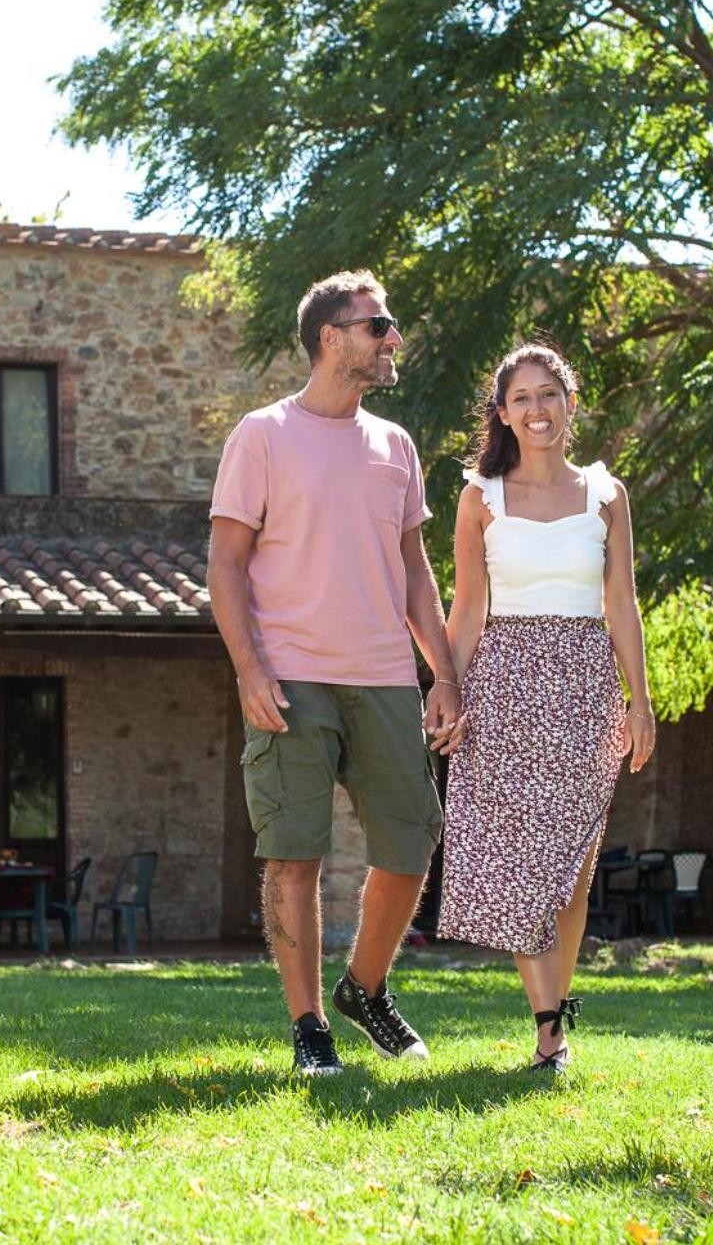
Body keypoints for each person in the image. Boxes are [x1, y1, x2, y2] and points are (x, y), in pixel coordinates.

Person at [208, 270, 465, 1077]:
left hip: (387, 676)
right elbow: (225, 560)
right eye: (377, 325)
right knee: (295, 852)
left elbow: (416, 572)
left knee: (411, 842)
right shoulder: (263, 433)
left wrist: (445, 676)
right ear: (331, 338)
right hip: (291, 674)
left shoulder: (396, 445)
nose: (393, 339)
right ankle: (310, 1027)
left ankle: (366, 988)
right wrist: (249, 667)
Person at [437, 343, 655, 1074]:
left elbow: (620, 603)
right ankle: (548, 1033)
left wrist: (641, 699)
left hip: (588, 686)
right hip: (505, 686)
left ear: (569, 402)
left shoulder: (607, 495)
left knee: (573, 866)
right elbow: (466, 610)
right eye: (522, 398)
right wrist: (446, 686)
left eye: (549, 394)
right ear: (503, 412)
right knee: (527, 863)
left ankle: (559, 1013)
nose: (538, 409)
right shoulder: (480, 498)